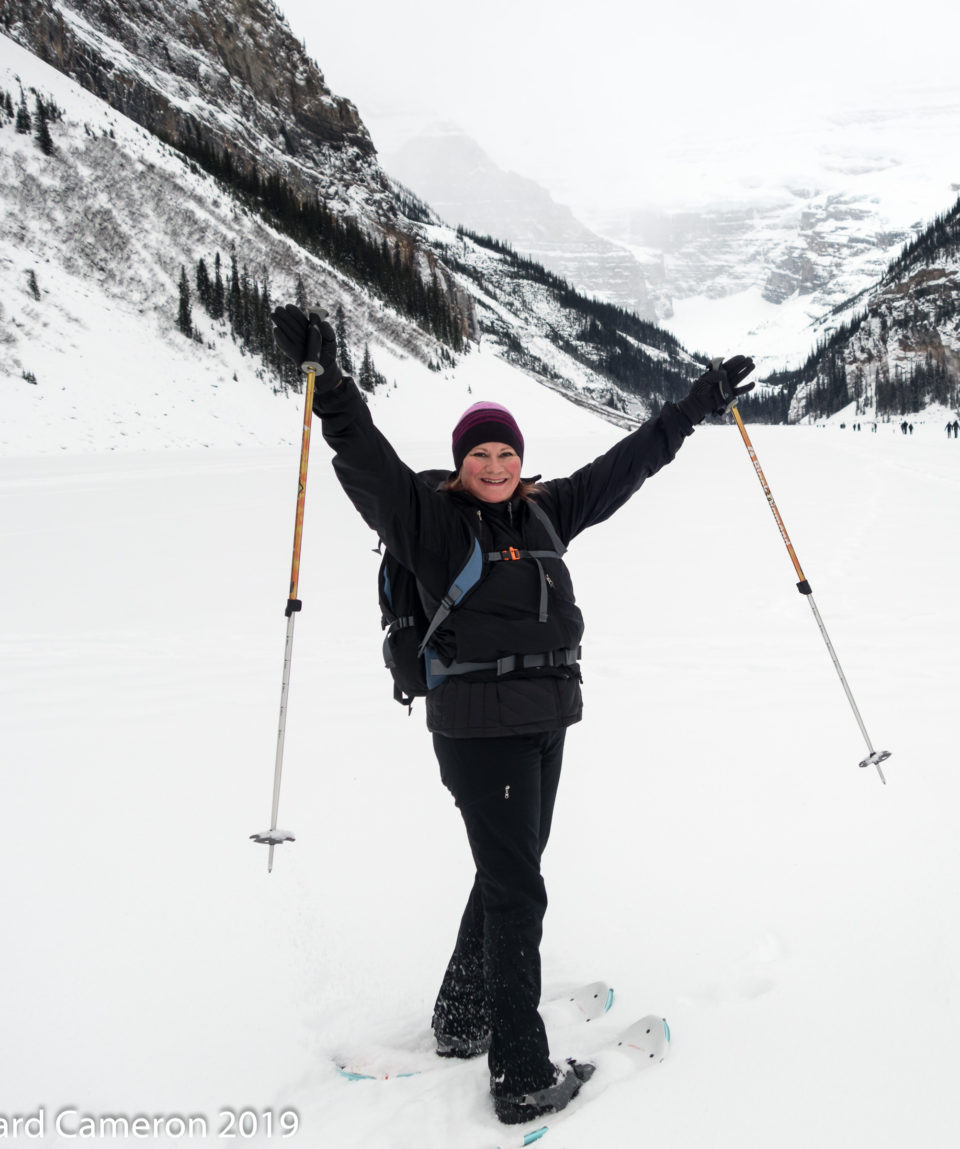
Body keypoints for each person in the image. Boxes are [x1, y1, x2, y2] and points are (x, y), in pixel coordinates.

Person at [271, 303, 755, 1125]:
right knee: (517, 890)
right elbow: (372, 464)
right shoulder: (433, 524)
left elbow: (626, 465)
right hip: (478, 730)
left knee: (509, 873)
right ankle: (520, 1075)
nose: (494, 464)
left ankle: (464, 1019)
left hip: (544, 721)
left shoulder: (543, 513)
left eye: (506, 452)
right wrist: (333, 389)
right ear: (459, 463)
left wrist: (695, 404)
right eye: (479, 453)